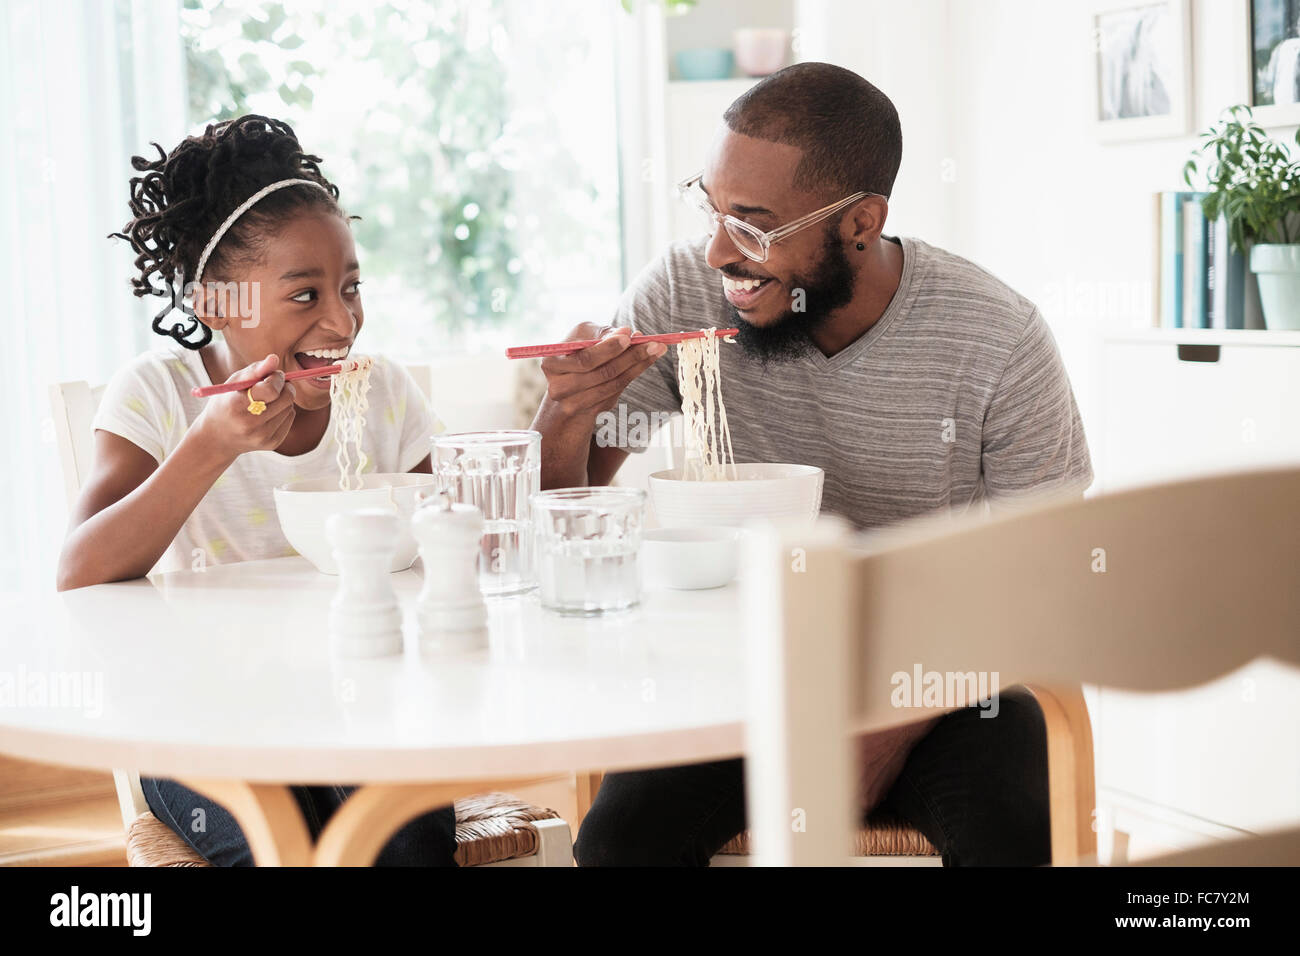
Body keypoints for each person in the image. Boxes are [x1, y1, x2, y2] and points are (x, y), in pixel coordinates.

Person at [532, 63, 1093, 866]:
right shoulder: (688, 295)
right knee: (621, 843)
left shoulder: (997, 339)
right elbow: (561, 517)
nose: (721, 251)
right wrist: (565, 413)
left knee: (1013, 826)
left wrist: (889, 723)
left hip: (949, 677)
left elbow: (1046, 573)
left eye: (755, 226)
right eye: (713, 208)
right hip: (741, 672)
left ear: (861, 223)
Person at [56, 115, 456, 866]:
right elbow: (79, 572)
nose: (343, 321)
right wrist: (209, 447)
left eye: (351, 287)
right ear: (215, 304)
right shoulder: (160, 394)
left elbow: (466, 542)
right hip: (196, 721)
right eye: (305, 296)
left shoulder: (386, 395)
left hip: (362, 706)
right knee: (284, 849)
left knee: (406, 845)